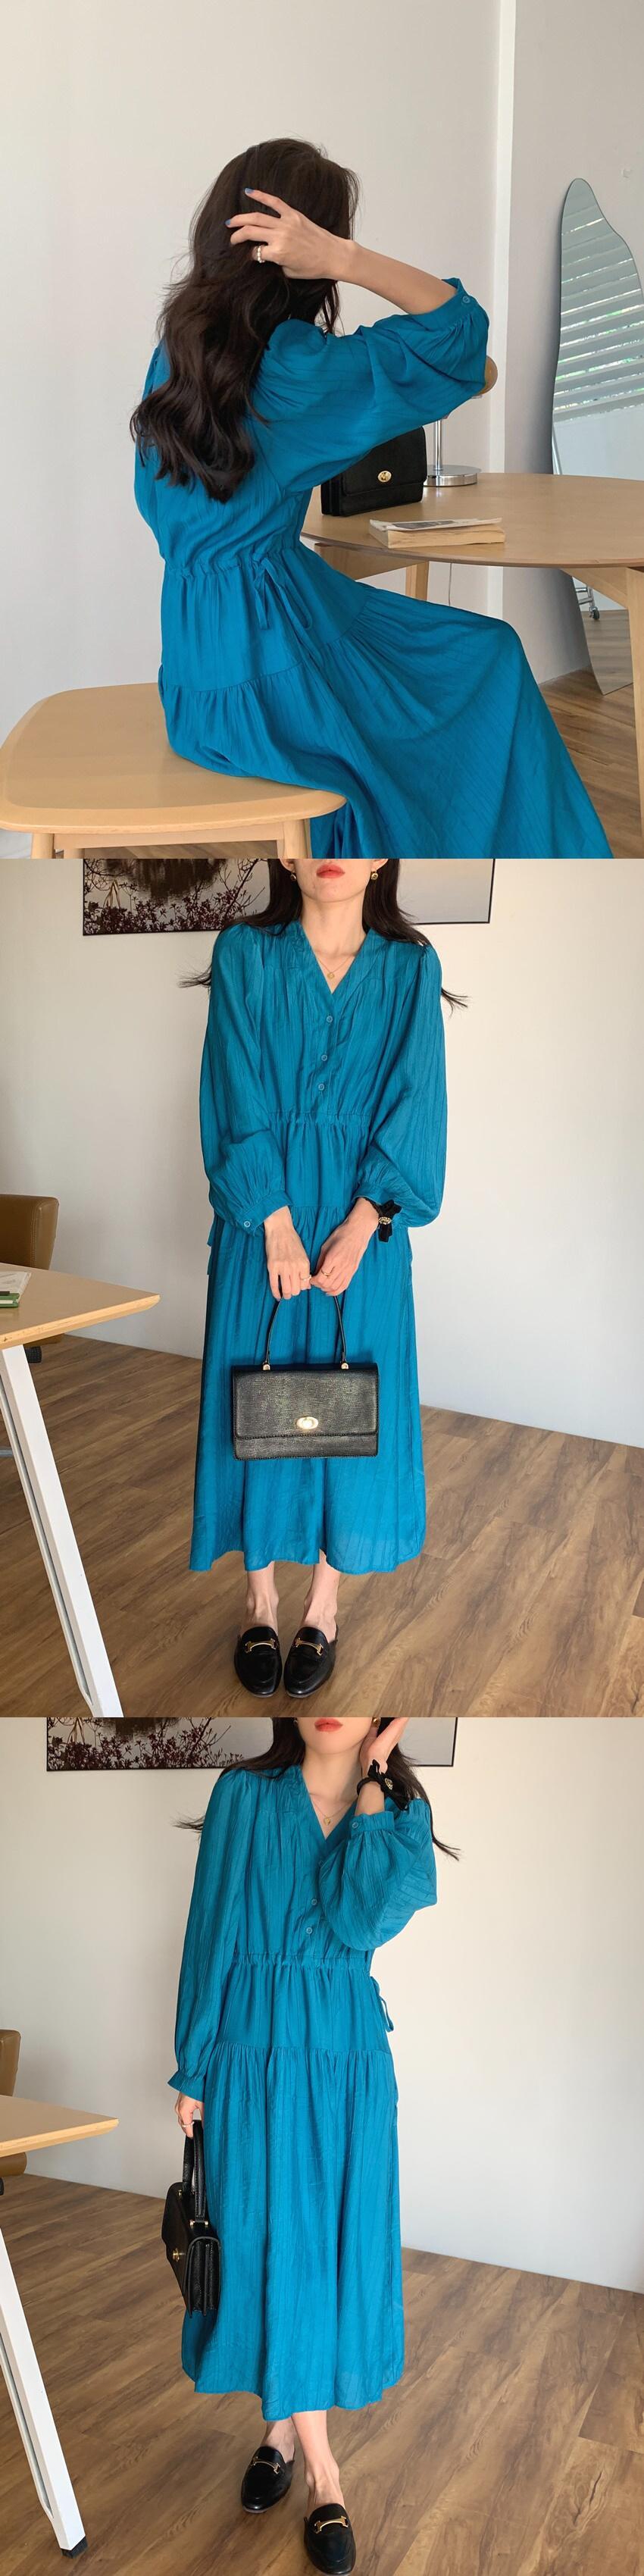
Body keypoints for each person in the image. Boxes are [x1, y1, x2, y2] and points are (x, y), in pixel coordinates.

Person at [131, 135, 611, 859]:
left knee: (457, 659)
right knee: (488, 657)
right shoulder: (296, 370)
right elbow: (458, 337)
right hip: (270, 673)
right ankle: (526, 872)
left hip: (197, 670)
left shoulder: (181, 352)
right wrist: (345, 260)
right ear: (304, 247)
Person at [172, 1714, 453, 2574]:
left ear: (385, 1715)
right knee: (270, 2247)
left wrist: (372, 1786)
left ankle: (281, 2435)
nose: (334, 1707)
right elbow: (211, 1933)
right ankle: (325, 2475)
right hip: (252, 2054)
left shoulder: (398, 1816)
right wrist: (193, 2064)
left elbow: (359, 1920)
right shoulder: (243, 1796)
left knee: (325, 2253)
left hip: (345, 2060)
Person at [189, 856, 449, 1698]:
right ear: (283, 849)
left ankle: (322, 1608)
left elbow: (417, 1102)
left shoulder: (411, 969)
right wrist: (273, 1221)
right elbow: (233, 1090)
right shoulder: (245, 954)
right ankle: (260, 1601)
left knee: (349, 1409)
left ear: (380, 856)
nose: (329, 853)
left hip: (363, 1231)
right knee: (254, 1403)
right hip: (258, 1222)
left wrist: (364, 1220)